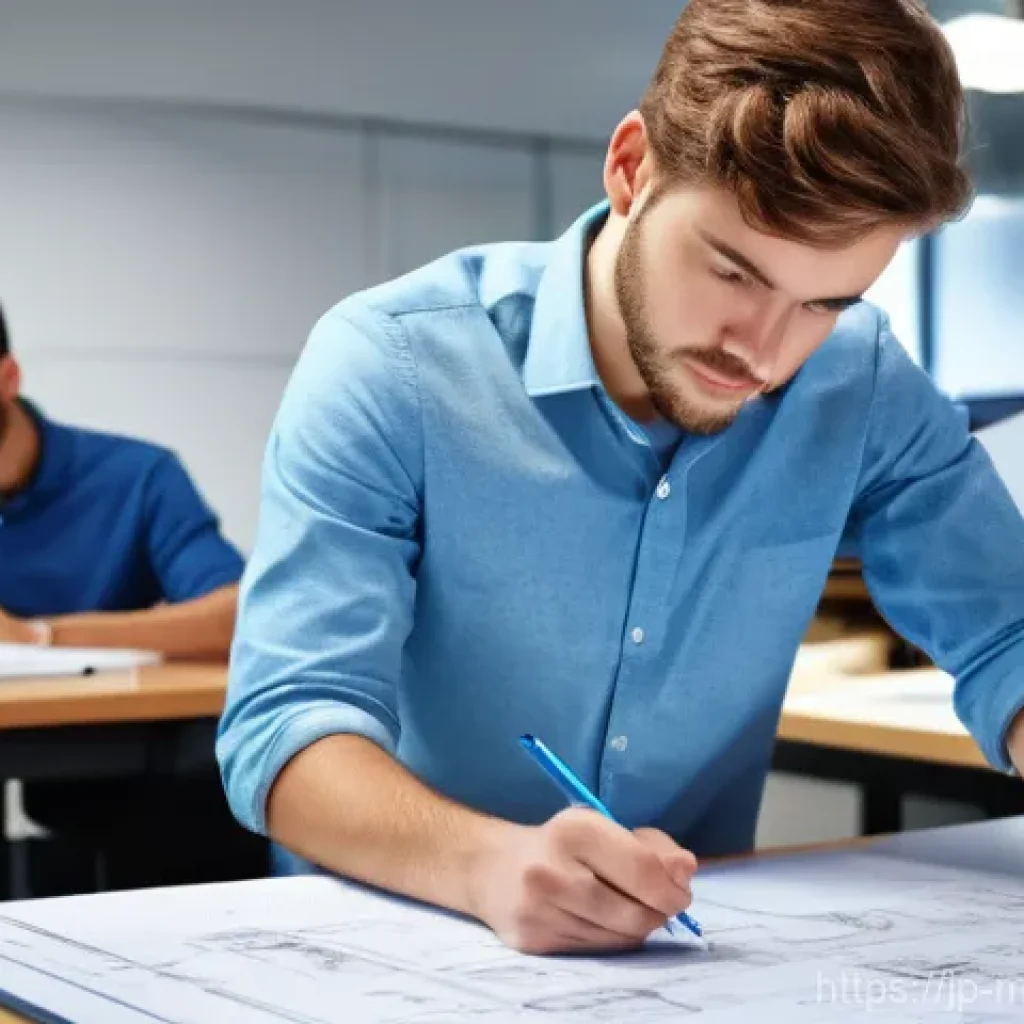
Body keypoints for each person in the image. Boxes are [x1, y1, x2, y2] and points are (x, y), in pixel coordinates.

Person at [217, 0, 1024, 956]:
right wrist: (487, 867)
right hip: (392, 948)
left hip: (689, 965)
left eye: (824, 304)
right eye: (733, 273)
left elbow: (1007, 632)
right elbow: (283, 728)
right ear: (632, 168)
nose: (763, 353)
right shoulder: (391, 367)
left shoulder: (861, 381)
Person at [0, 307, 248, 893]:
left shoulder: (137, 476)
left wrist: (39, 636)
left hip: (109, 777)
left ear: (7, 378)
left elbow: (240, 614)